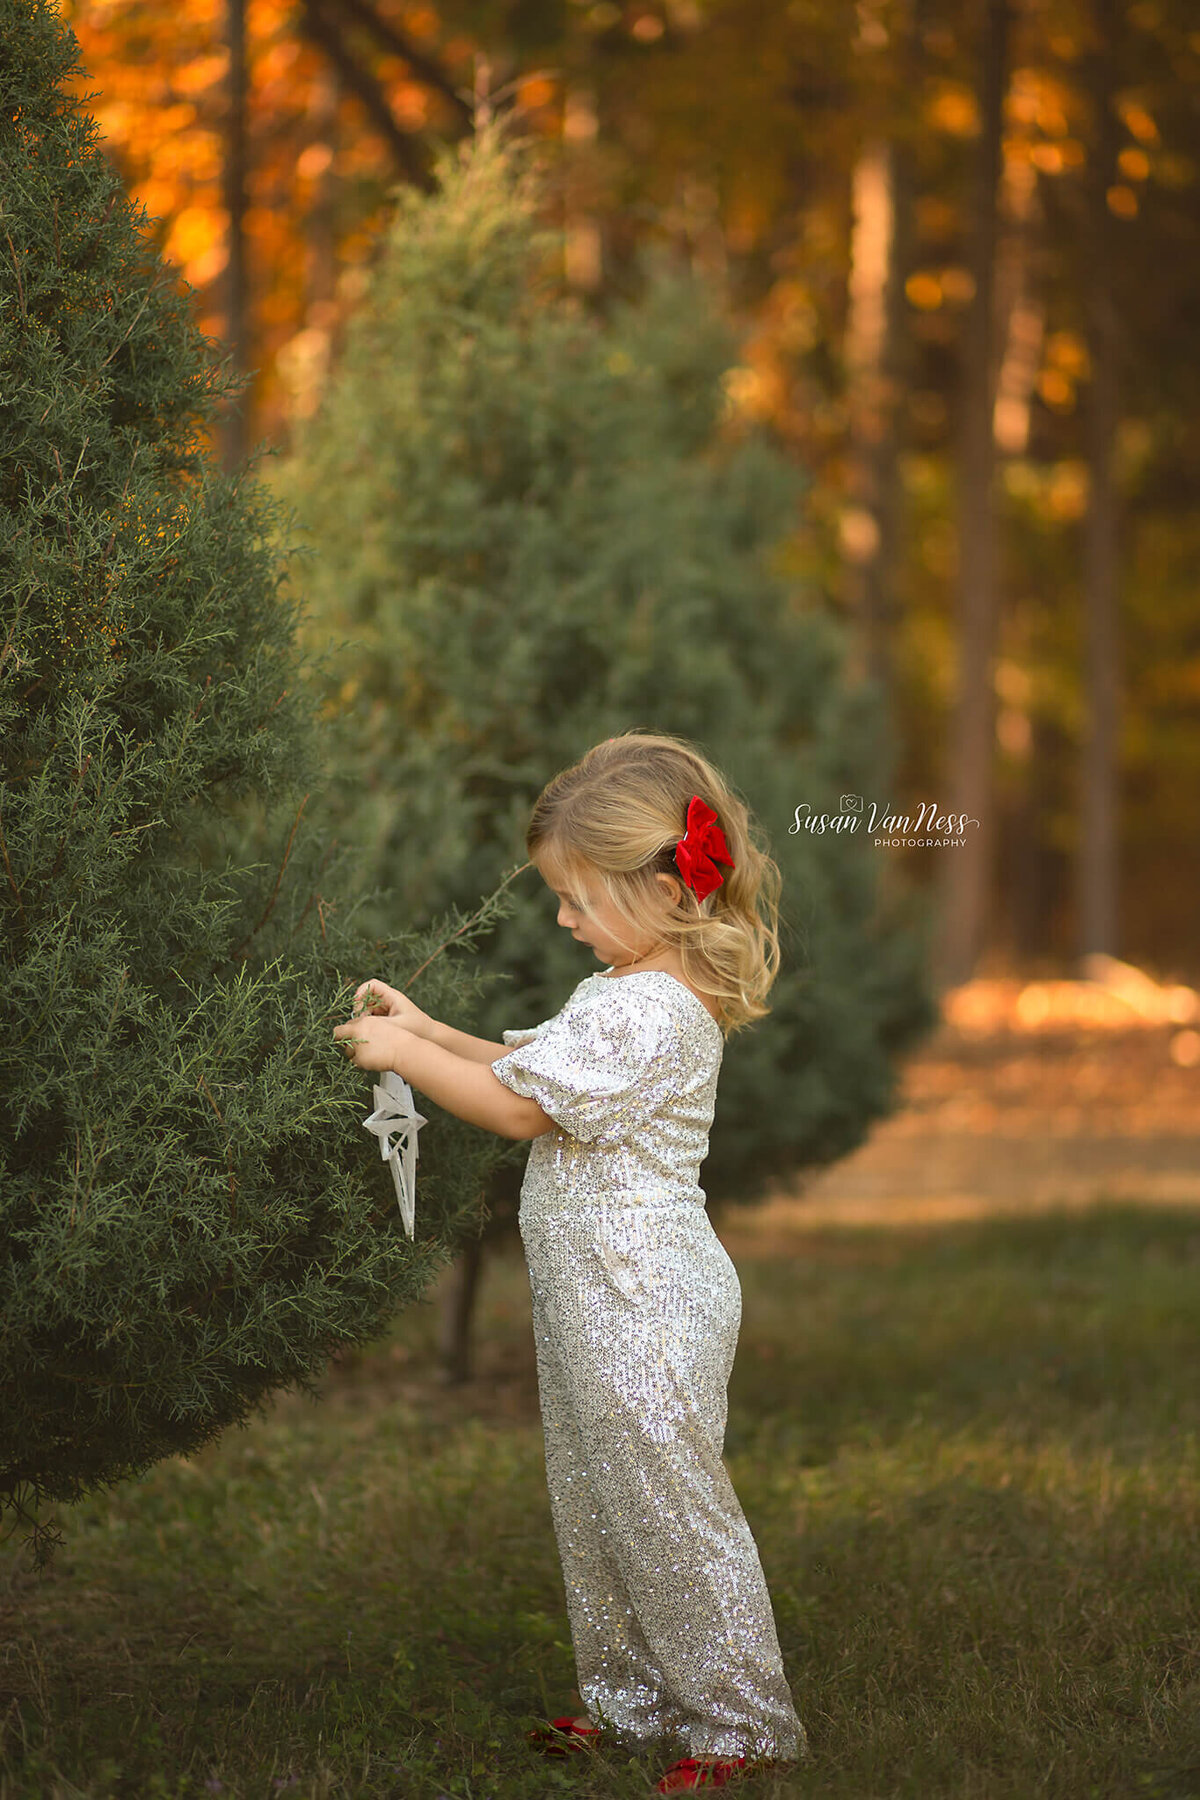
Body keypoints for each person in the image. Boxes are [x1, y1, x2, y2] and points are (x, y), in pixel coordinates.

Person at [333, 730, 808, 1792]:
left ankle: (740, 1726)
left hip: (644, 1297)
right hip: (600, 1293)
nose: (561, 918)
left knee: (668, 1507)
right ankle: (633, 1704)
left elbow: (517, 1107)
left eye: (577, 898)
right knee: (600, 1503)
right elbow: (524, 1065)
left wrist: (405, 1058)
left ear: (657, 886)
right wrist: (431, 1030)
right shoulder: (628, 989)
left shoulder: (646, 1008)